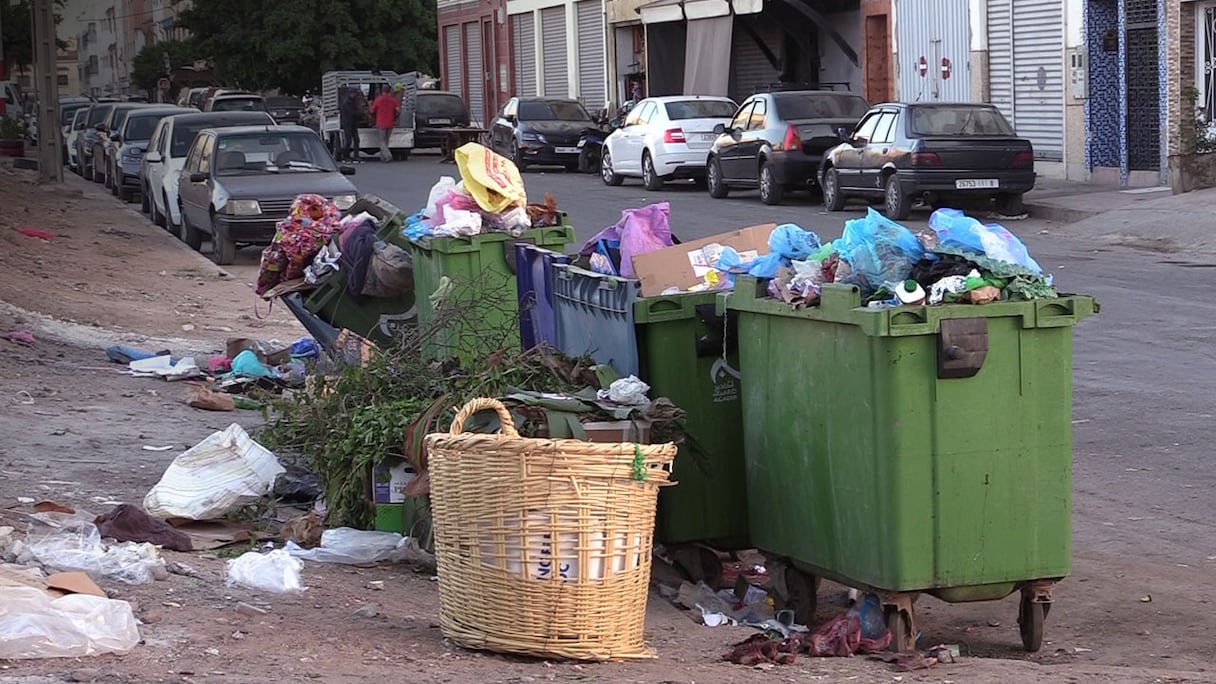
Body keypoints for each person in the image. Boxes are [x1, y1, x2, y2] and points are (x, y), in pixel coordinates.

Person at [368, 84, 399, 163]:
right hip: (390, 123)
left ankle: (388, 155)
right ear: (389, 91)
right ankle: (383, 157)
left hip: (381, 123)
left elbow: (372, 111)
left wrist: (370, 105)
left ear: (382, 91)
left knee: (382, 141)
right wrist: (394, 118)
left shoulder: (378, 99)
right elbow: (398, 111)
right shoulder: (393, 100)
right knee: (386, 141)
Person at [338, 86, 361, 162]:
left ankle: (355, 156)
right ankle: (345, 156)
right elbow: (352, 113)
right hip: (348, 124)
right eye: (355, 93)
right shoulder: (347, 103)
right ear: (351, 93)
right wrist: (360, 114)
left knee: (356, 140)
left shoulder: (352, 102)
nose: (356, 95)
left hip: (352, 123)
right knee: (348, 141)